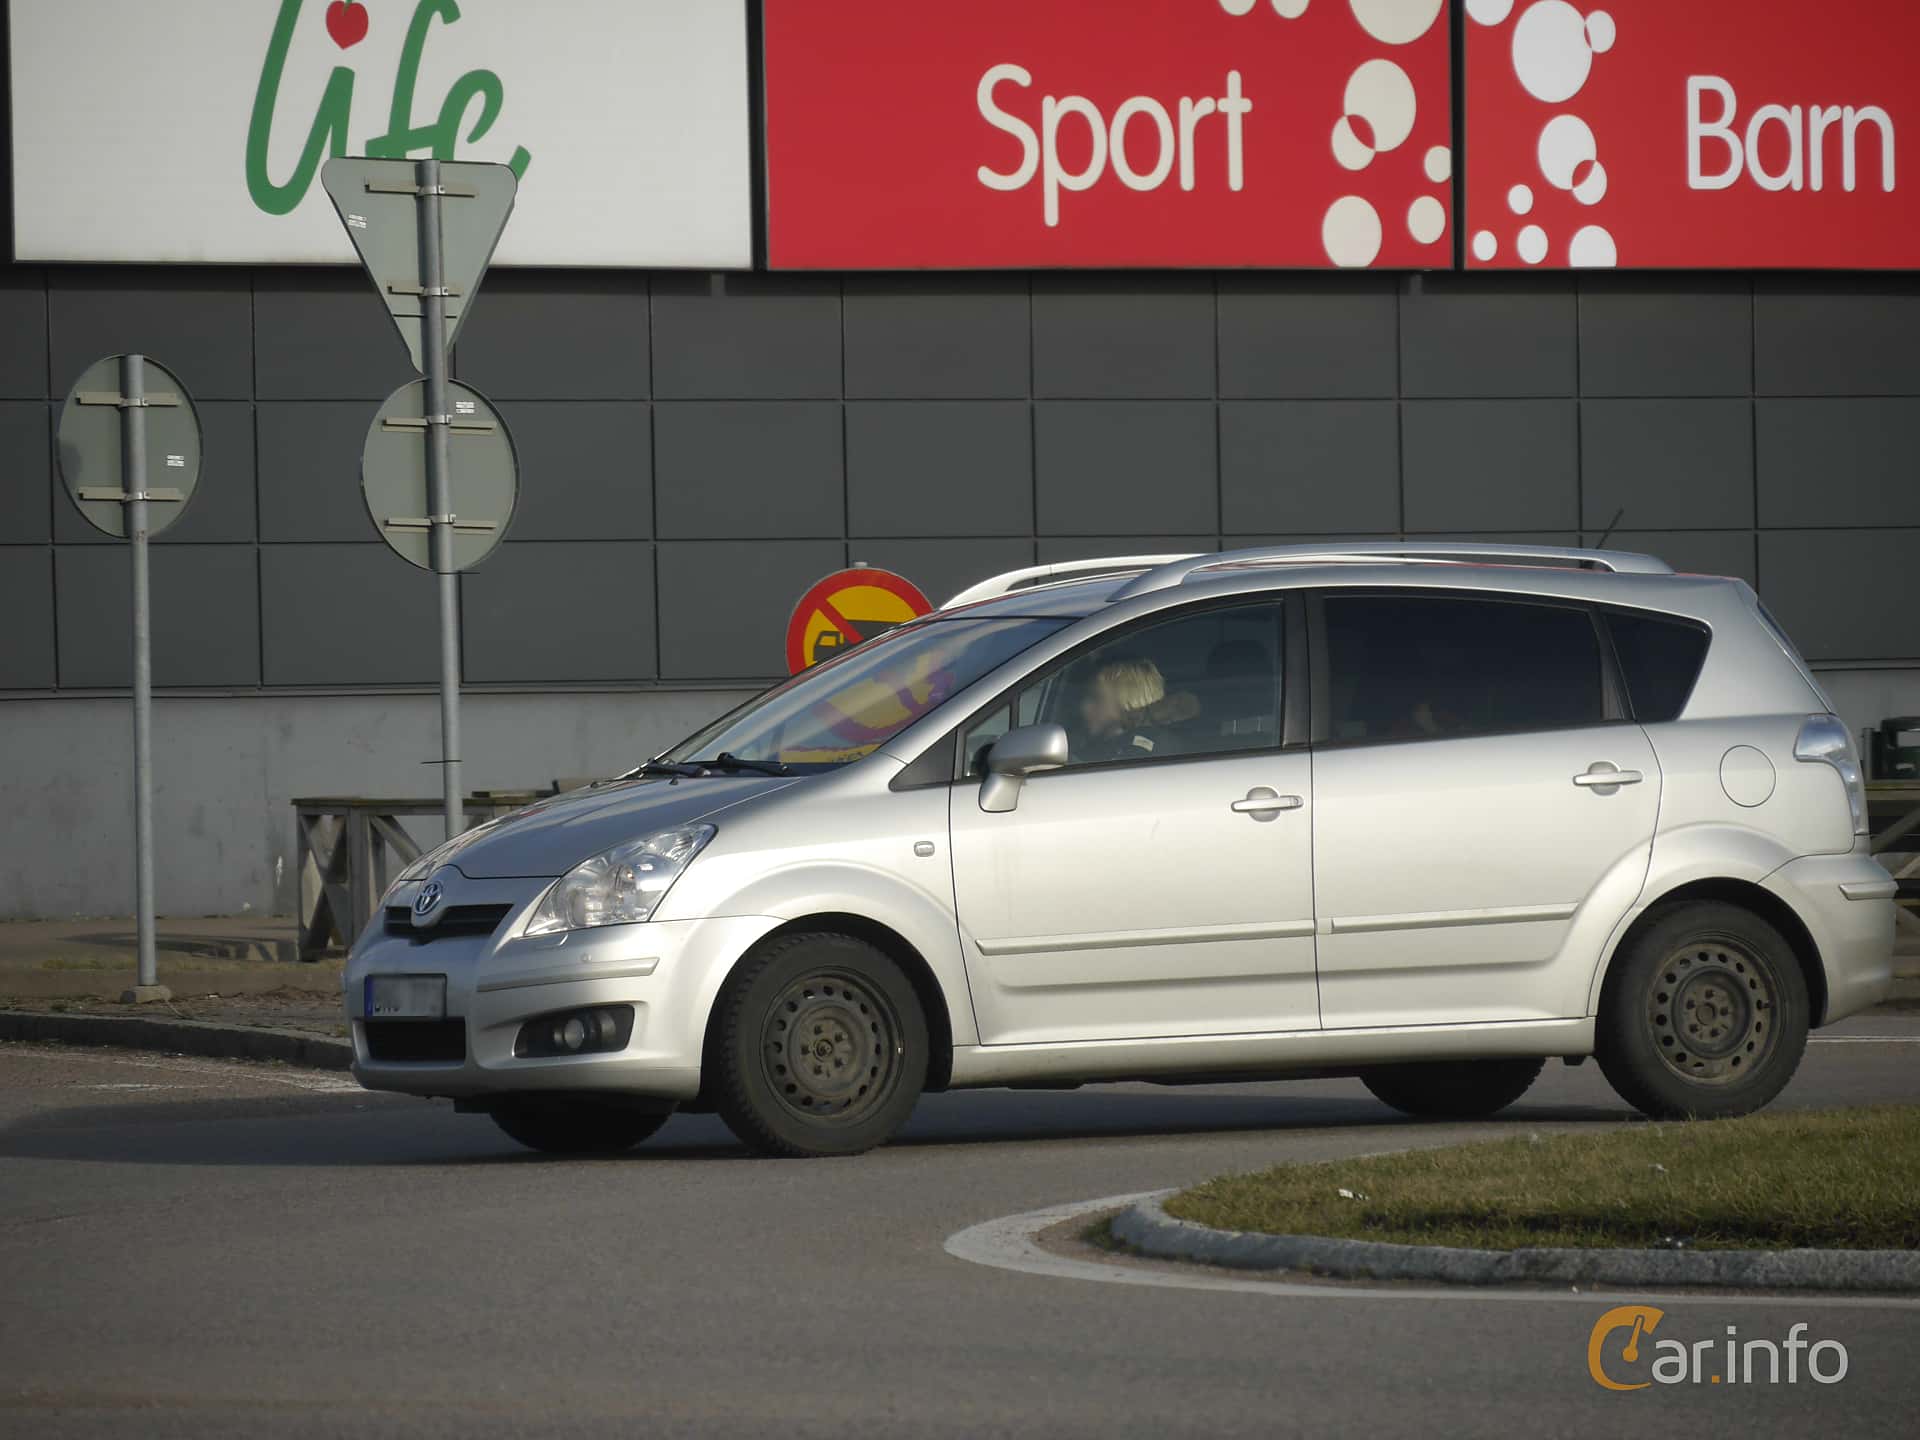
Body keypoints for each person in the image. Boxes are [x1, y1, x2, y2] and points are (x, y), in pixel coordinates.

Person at [1075, 657, 1197, 761]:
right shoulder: (1100, 748)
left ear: (1129, 704)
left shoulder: (1139, 756)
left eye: (1096, 698)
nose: (1083, 707)